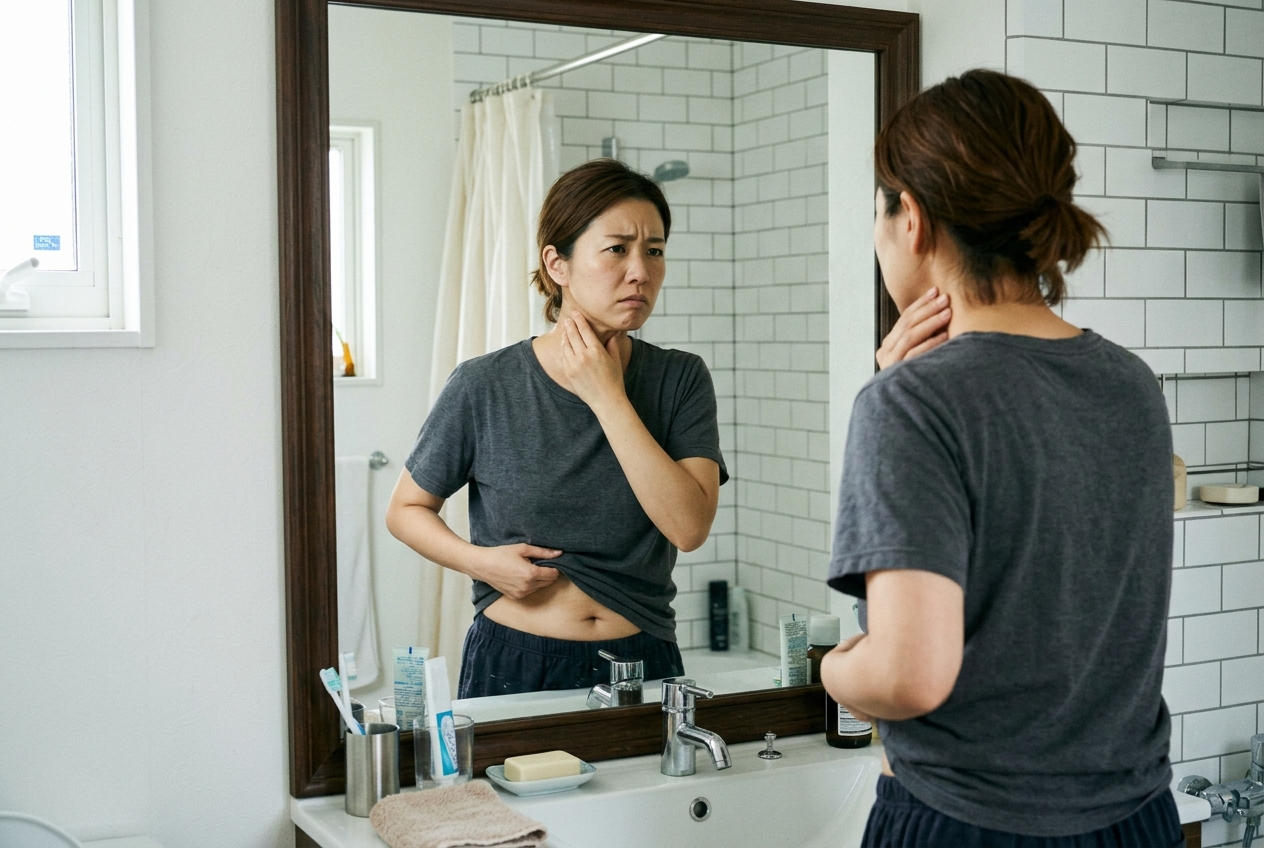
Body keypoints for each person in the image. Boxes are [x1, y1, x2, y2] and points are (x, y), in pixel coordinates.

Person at [820, 70, 1182, 847]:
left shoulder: (912, 404)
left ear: (910, 218)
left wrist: (836, 667)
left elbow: (907, 676)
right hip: (1140, 818)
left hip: (970, 824)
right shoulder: (1131, 384)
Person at [385, 158, 727, 699]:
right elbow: (405, 510)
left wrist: (608, 396)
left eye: (655, 250)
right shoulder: (484, 384)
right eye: (617, 249)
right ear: (558, 264)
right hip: (516, 659)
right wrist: (484, 564)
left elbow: (688, 528)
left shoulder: (679, 378)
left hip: (645, 660)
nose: (640, 270)